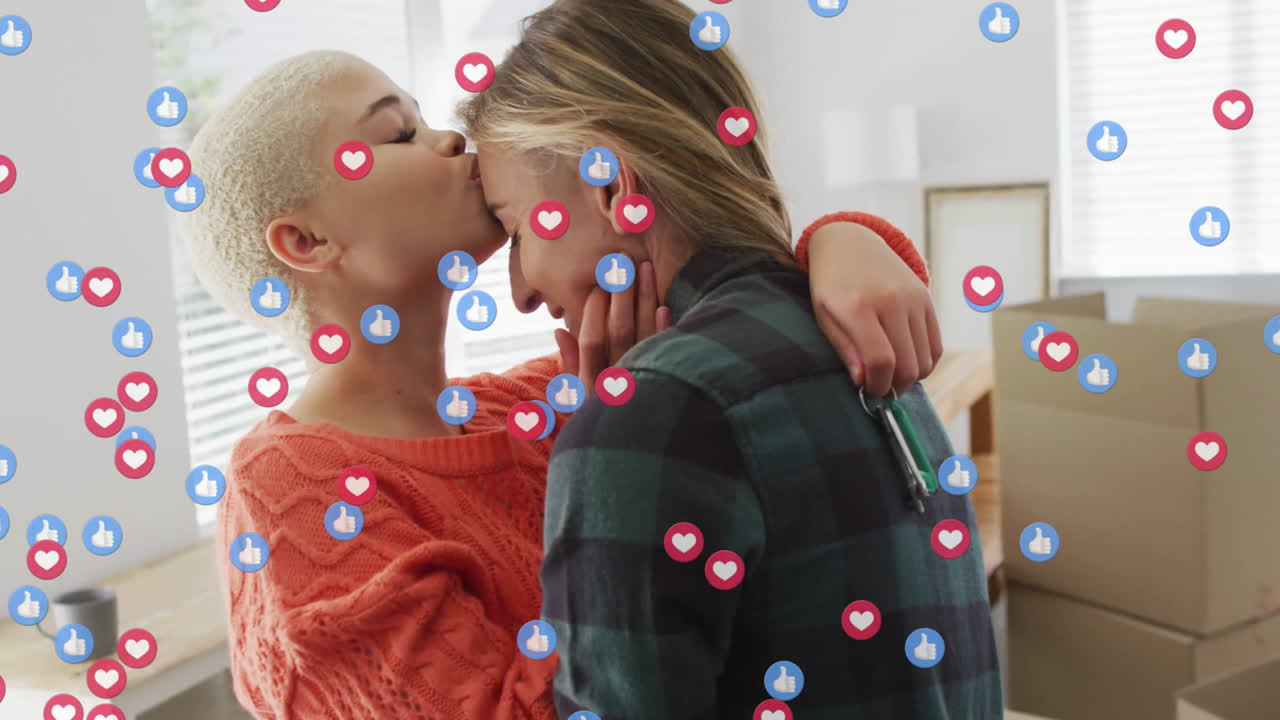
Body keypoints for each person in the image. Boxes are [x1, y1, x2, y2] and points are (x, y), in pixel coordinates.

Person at [179, 47, 940, 720]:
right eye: (398, 134)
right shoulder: (292, 492)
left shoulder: (557, 393)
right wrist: (624, 476)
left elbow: (752, 313)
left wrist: (847, 238)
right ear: (306, 242)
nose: (451, 139)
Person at [461, 0, 1002, 718]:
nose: (522, 291)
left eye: (516, 228)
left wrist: (617, 433)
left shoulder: (656, 414)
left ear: (611, 186)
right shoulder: (853, 335)